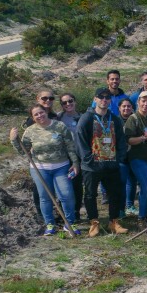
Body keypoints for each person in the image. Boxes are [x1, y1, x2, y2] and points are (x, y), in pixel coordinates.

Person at [10, 105, 80, 236]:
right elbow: (23, 151)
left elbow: (70, 146)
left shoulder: (59, 126)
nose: (39, 116)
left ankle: (70, 223)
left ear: (46, 112)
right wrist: (14, 140)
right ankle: (50, 224)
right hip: (40, 169)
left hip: (61, 167)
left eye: (41, 112)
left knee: (66, 195)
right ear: (32, 117)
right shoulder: (30, 131)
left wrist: (75, 163)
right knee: (45, 197)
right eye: (36, 114)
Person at [76, 87, 128, 236]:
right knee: (91, 194)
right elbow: (80, 140)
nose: (104, 100)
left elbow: (121, 140)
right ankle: (94, 223)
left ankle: (114, 222)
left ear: (110, 100)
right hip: (92, 166)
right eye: (101, 97)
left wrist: (119, 158)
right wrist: (88, 159)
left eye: (107, 97)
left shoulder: (114, 119)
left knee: (114, 193)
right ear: (95, 99)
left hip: (111, 164)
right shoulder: (87, 118)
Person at [123, 91, 147, 230]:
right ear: (138, 102)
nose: (146, 104)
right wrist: (143, 138)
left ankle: (145, 213)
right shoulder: (133, 119)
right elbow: (129, 140)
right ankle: (141, 217)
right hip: (138, 159)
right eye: (143, 101)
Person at [57, 92, 83, 220]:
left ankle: (76, 211)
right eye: (64, 102)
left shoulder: (82, 117)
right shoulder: (58, 117)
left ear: (75, 101)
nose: (68, 104)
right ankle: (64, 213)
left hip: (79, 156)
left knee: (77, 185)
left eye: (70, 101)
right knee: (65, 186)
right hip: (63, 157)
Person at [117, 98, 137, 217]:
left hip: (134, 155)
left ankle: (130, 205)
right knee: (121, 183)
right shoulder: (115, 120)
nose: (126, 108)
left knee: (132, 182)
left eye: (129, 106)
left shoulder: (135, 119)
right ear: (119, 108)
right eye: (124, 106)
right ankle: (120, 208)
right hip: (120, 157)